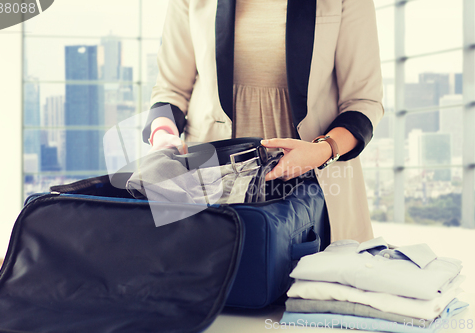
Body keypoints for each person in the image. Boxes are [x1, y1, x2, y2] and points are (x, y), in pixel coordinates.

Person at [142, 0, 384, 243]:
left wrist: (322, 150)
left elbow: (363, 101)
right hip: (213, 183)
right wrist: (163, 133)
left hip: (315, 182)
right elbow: (171, 89)